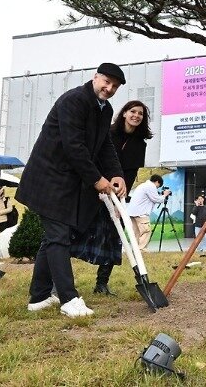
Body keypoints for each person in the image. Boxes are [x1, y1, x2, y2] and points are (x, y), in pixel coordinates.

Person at [16, 63, 127, 318]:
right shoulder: (74, 101)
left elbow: (105, 146)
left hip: (66, 182)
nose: (109, 89)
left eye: (114, 86)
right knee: (58, 238)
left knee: (54, 238)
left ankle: (39, 297)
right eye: (106, 82)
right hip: (48, 179)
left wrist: (116, 174)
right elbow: (74, 147)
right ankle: (68, 299)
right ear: (95, 77)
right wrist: (97, 179)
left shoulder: (104, 109)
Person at [71, 99, 154, 295]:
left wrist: (121, 201)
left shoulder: (140, 144)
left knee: (114, 235)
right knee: (75, 233)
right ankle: (60, 280)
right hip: (94, 188)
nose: (136, 116)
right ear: (124, 113)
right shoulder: (107, 133)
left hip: (117, 194)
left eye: (140, 114)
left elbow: (131, 174)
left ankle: (101, 283)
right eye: (132, 111)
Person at [125, 174, 170, 251]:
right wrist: (165, 195)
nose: (157, 188)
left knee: (136, 233)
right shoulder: (151, 186)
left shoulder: (142, 185)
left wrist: (160, 194)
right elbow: (156, 199)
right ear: (157, 182)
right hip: (141, 213)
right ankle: (141, 249)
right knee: (146, 231)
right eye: (158, 186)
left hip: (132, 212)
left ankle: (135, 250)